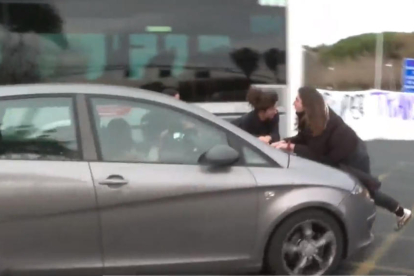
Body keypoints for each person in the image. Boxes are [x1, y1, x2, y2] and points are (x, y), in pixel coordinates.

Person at [272, 86, 411, 230]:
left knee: (365, 191)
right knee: (354, 191)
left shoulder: (321, 120)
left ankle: (400, 212)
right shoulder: (311, 116)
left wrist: (290, 147)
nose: (294, 103)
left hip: (353, 155)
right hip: (341, 155)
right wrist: (285, 142)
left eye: (297, 100)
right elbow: (305, 138)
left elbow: (316, 153)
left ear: (307, 104)